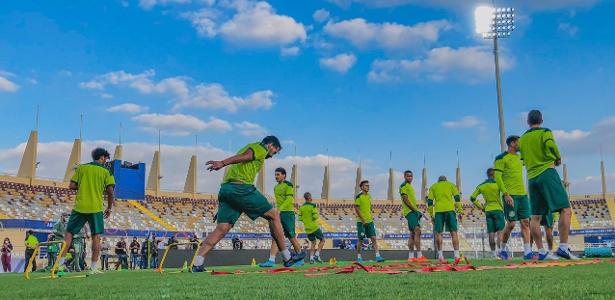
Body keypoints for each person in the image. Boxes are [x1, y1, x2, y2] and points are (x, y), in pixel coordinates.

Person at [192, 136, 305, 272]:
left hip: (226, 190)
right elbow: (245, 156)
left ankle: (197, 263)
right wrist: (222, 163)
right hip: (241, 188)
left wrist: (223, 205)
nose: (273, 154)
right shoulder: (260, 148)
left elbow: (242, 157)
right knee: (274, 215)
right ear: (270, 145)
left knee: (222, 229)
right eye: (275, 151)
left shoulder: (250, 147)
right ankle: (287, 257)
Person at [520, 110, 578, 260]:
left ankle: (541, 251)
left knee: (536, 216)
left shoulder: (523, 138)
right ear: (542, 120)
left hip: (531, 178)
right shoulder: (545, 132)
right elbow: (550, 144)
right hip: (546, 172)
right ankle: (563, 248)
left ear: (528, 121)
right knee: (565, 210)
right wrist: (557, 157)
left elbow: (523, 159)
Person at [56, 147, 115, 275]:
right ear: (102, 157)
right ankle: (93, 268)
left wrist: (83, 186)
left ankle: (59, 265)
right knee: (96, 237)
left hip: (79, 207)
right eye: (106, 158)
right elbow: (110, 191)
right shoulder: (106, 171)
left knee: (69, 234)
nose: (106, 161)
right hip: (96, 208)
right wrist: (109, 208)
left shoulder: (82, 168)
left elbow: (72, 186)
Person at [494, 136, 538, 260]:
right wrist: (506, 194)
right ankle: (502, 250)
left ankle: (528, 252)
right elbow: (498, 177)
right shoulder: (500, 158)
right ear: (512, 143)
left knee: (525, 222)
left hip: (523, 195)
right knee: (512, 224)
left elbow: (533, 161)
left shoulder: (521, 157)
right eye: (519, 142)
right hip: (510, 195)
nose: (521, 145)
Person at [259, 167, 303, 267]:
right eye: (275, 175)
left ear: (284, 175)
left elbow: (289, 199)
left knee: (291, 237)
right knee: (275, 236)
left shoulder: (288, 185)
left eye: (278, 174)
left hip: (287, 214)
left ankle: (300, 259)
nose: (276, 176)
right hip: (278, 214)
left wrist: (280, 209)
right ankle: (271, 261)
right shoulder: (275, 187)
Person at [470, 168, 505, 258]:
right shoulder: (498, 183)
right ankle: (500, 252)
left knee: (491, 233)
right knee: (500, 232)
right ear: (494, 175)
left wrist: (480, 207)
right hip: (498, 209)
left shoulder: (482, 185)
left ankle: (493, 254)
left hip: (488, 210)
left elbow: (472, 197)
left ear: (487, 175)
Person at [427, 176, 463, 263]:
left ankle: (440, 256)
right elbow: (457, 198)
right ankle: (457, 255)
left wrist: (431, 215)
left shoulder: (433, 187)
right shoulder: (451, 185)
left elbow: (430, 202)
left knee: (438, 233)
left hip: (438, 211)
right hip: (450, 210)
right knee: (454, 232)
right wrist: (460, 212)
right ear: (446, 180)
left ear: (438, 181)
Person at [399, 170, 427, 262]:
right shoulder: (403, 186)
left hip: (413, 212)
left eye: (411, 176)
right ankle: (419, 256)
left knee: (412, 234)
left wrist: (416, 210)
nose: (410, 178)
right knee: (417, 231)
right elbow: (405, 199)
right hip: (410, 212)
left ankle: (411, 257)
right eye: (408, 176)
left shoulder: (410, 186)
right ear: (404, 176)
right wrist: (415, 210)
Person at [355, 180, 385, 263]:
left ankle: (378, 256)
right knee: (361, 239)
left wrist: (370, 216)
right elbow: (357, 209)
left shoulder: (369, 196)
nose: (368, 187)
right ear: (361, 187)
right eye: (366, 185)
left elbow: (369, 207)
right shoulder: (358, 196)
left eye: (368, 185)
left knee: (374, 238)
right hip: (361, 222)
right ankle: (358, 257)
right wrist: (363, 220)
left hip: (370, 221)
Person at [298, 192, 326, 264]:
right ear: (310, 198)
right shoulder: (313, 205)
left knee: (313, 243)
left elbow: (300, 218)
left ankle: (311, 259)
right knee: (322, 240)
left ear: (305, 198)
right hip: (314, 227)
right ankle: (316, 255)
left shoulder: (301, 207)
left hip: (307, 229)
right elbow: (315, 216)